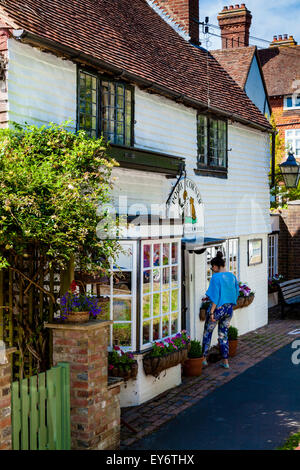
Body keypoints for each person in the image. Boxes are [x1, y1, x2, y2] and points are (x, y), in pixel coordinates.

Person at [202, 251, 239, 369]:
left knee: (208, 332)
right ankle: (225, 361)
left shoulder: (215, 277)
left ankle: (203, 359)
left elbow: (215, 297)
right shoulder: (232, 277)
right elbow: (236, 293)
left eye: (212, 267)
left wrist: (212, 311)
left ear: (215, 266)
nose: (212, 269)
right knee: (223, 335)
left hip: (217, 310)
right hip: (229, 310)